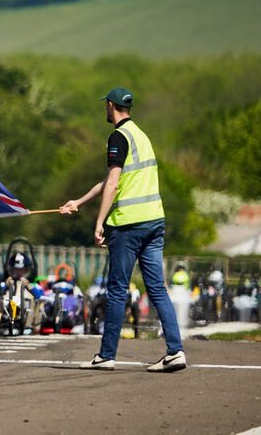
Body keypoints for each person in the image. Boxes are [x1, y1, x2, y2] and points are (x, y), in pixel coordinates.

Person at [59, 87, 185, 373]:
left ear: (112, 106)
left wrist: (99, 221)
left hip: (128, 224)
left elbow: (114, 183)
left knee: (116, 290)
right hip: (154, 221)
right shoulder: (141, 135)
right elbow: (110, 180)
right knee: (157, 289)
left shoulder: (117, 136)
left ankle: (106, 355)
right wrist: (78, 202)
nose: (105, 109)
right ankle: (175, 351)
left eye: (106, 105)